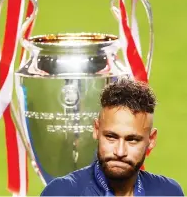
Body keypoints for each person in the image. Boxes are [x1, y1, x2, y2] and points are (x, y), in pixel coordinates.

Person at [40, 77, 184, 196]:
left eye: (132, 140)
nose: (120, 152)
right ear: (96, 130)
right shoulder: (62, 193)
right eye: (111, 137)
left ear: (151, 140)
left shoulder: (169, 192)